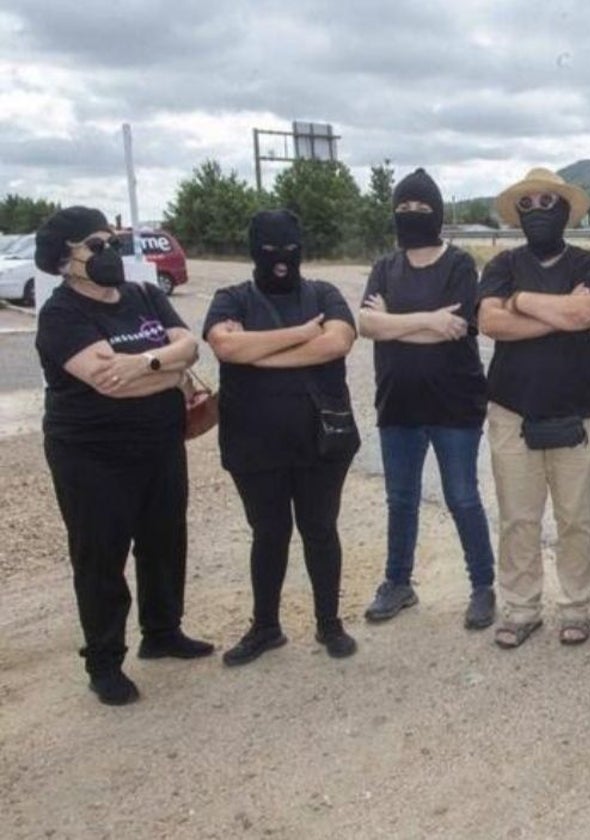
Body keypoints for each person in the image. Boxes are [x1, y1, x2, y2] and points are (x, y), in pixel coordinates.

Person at [34, 206, 212, 706]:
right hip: (91, 454)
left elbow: (188, 346)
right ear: (65, 259)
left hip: (159, 443)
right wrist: (168, 373)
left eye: (112, 242)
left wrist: (150, 363)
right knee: (101, 554)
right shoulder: (62, 313)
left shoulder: (144, 295)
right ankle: (105, 660)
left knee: (163, 539)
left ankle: (162, 631)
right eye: (95, 245)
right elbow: (106, 382)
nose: (108, 253)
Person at [204, 209, 359, 666]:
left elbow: (336, 343)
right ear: (253, 250)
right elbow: (225, 347)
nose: (281, 260)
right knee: (268, 534)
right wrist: (300, 334)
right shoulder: (230, 297)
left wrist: (259, 352)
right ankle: (266, 627)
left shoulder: (324, 292)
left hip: (321, 442)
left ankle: (329, 624)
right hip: (253, 444)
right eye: (270, 250)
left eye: (289, 249)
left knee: (320, 531)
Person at [477, 169, 590, 648]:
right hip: (513, 412)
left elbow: (587, 313)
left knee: (577, 517)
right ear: (517, 215)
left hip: (583, 413)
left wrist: (523, 302)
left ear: (565, 211)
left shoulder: (588, 263)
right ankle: (521, 607)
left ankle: (576, 607)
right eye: (527, 203)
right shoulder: (501, 265)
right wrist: (558, 315)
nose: (537, 210)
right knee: (518, 517)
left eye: (546, 202)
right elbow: (491, 322)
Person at [358, 168, 496, 630]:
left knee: (462, 497)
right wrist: (427, 321)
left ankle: (482, 586)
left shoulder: (458, 264)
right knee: (401, 499)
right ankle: (398, 583)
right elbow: (367, 326)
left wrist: (396, 322)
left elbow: (456, 328)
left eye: (420, 207)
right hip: (397, 404)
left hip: (455, 405)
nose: (411, 215)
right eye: (403, 207)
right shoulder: (384, 266)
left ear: (436, 211)